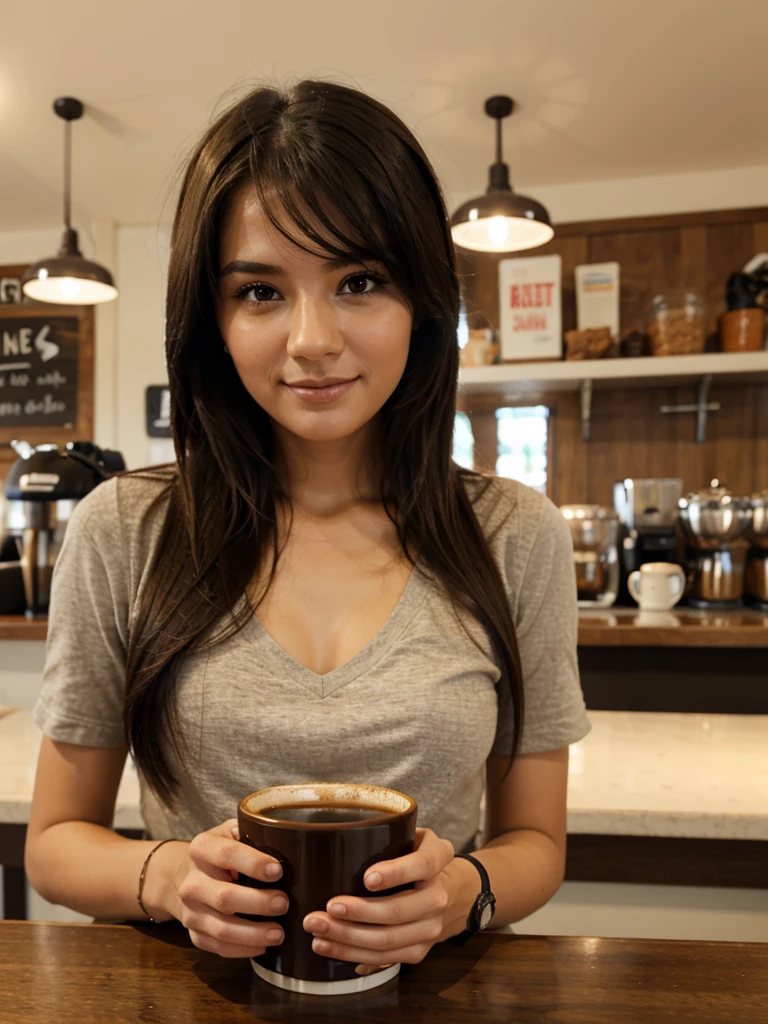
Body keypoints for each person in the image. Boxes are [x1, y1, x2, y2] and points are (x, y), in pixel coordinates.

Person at [25, 79, 590, 971]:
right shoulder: (127, 528)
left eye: (359, 281)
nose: (312, 339)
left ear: (427, 303)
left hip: (429, 994)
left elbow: (536, 842)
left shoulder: (515, 533)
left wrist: (459, 897)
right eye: (260, 292)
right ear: (211, 318)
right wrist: (170, 876)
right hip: (190, 992)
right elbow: (55, 841)